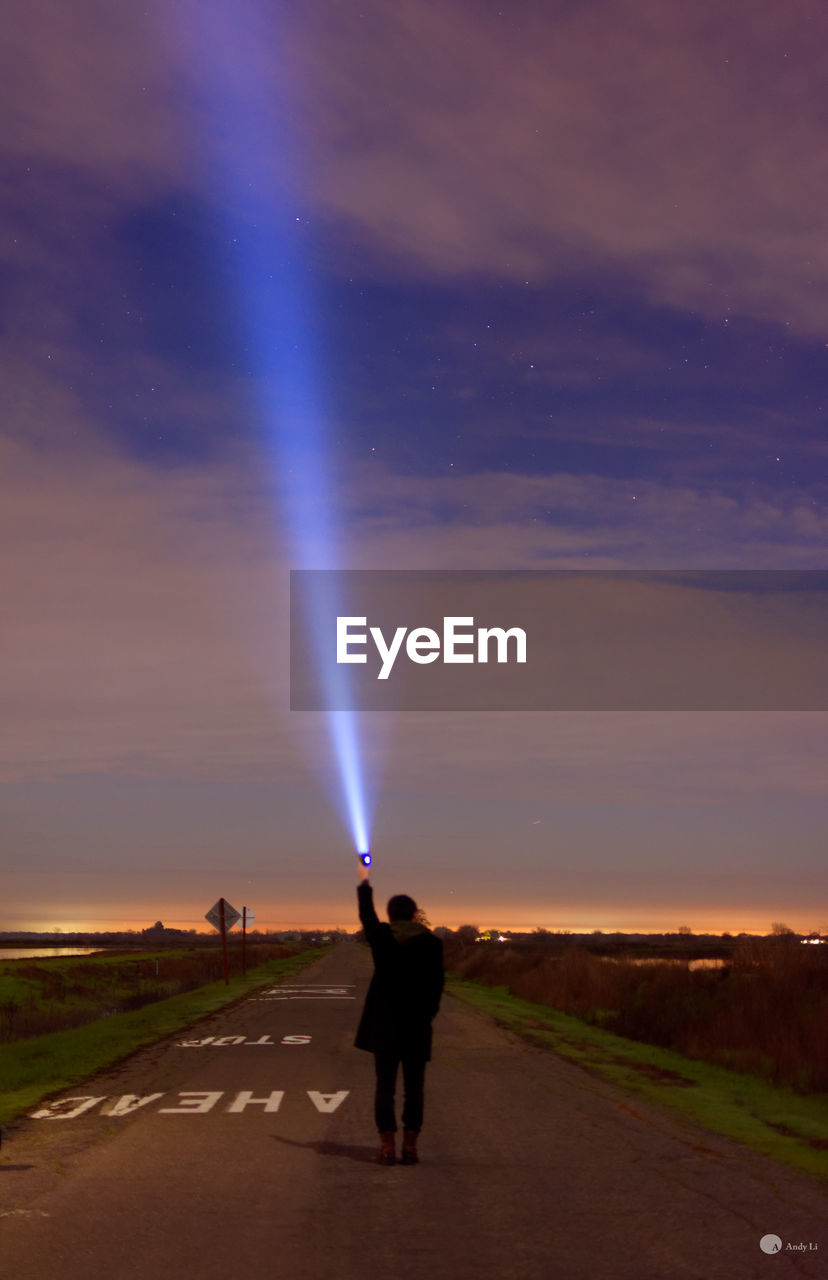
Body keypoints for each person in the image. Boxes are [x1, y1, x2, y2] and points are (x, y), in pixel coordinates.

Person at [354, 861, 444, 1166]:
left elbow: (367, 916)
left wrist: (364, 882)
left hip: (385, 1026)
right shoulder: (432, 944)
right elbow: (437, 986)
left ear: (390, 914)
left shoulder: (382, 938)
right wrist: (427, 1016)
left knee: (385, 1087)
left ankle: (387, 1147)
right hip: (417, 1025)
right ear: (414, 913)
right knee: (414, 1089)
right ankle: (410, 1147)